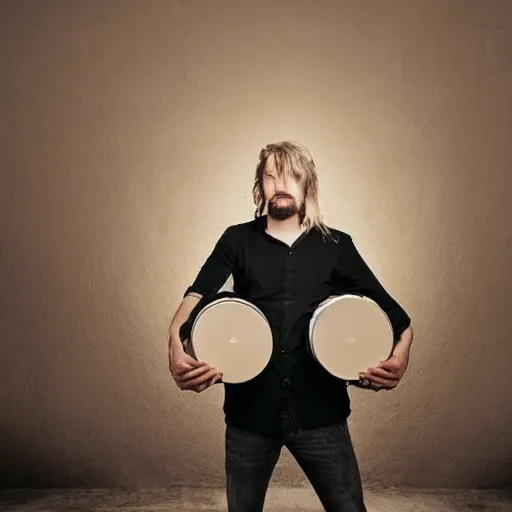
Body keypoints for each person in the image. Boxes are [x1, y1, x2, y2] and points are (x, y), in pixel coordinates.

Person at [168, 141, 414, 512]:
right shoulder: (237, 239)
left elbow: (399, 320)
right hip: (249, 416)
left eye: (290, 176)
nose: (279, 184)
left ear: (307, 185)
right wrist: (174, 339)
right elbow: (197, 293)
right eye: (270, 176)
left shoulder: (336, 245)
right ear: (260, 186)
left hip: (321, 414)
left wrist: (400, 358)